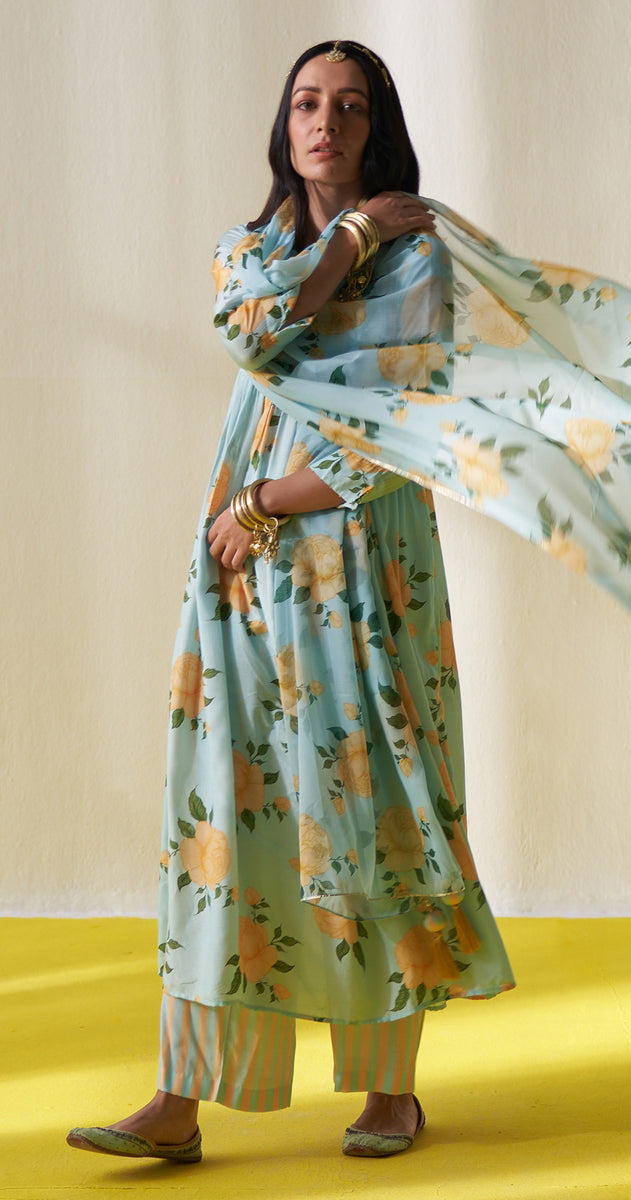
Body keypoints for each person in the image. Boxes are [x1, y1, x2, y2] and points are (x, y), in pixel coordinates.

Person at [67, 39, 517, 1165]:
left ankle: (390, 1090)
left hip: (362, 569)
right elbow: (252, 331)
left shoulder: (418, 264)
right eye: (309, 103)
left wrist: (263, 501)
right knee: (227, 811)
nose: (327, 123)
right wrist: (349, 235)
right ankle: (182, 1096)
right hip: (246, 575)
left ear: (377, 129)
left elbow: (400, 432)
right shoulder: (253, 251)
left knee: (376, 804)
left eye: (351, 107)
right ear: (285, 124)